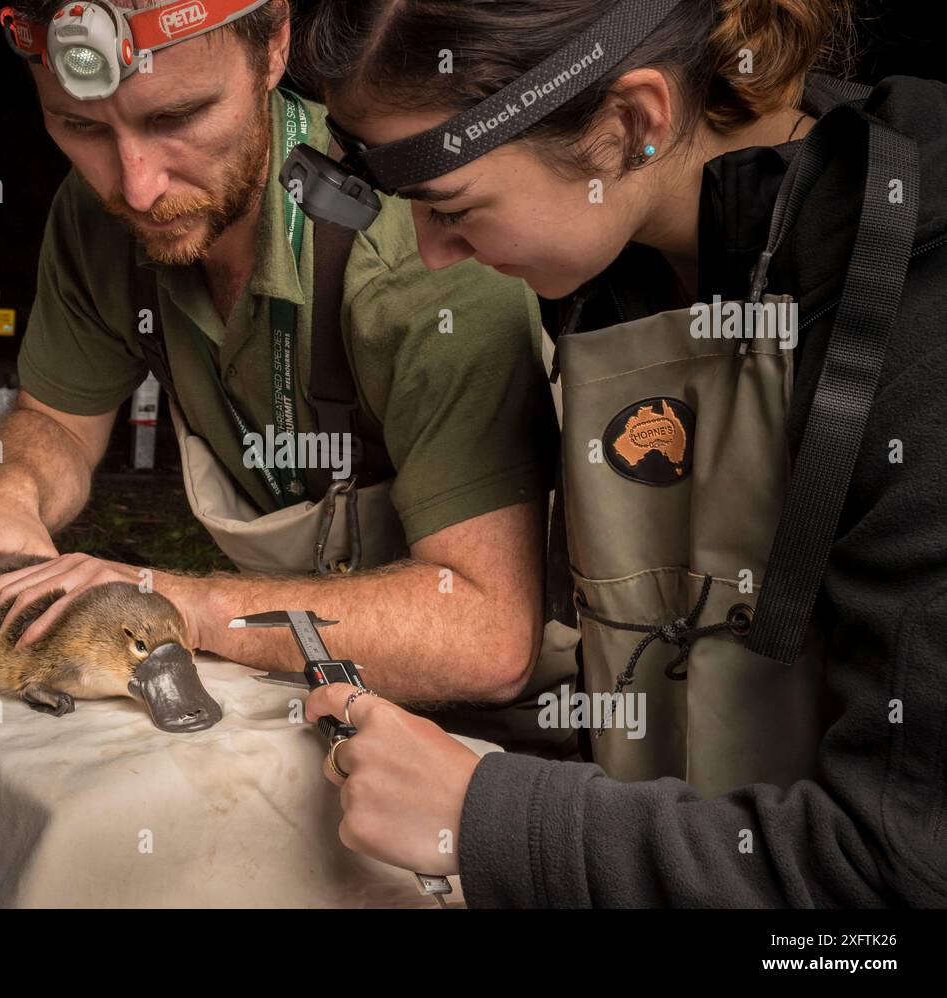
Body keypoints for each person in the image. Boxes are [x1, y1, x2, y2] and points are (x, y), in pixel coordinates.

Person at [286, 0, 947, 905]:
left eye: (453, 208)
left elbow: (889, 884)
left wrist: (490, 818)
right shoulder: (616, 270)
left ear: (631, 124)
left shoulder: (921, 331)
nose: (436, 258)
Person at [0, 0, 565, 713]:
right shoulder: (100, 216)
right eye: (81, 126)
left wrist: (181, 609)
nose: (137, 186)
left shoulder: (422, 245)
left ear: (275, 45)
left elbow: (486, 637)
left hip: (522, 721)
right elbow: (57, 423)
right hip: (295, 678)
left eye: (179, 116)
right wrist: (3, 498)